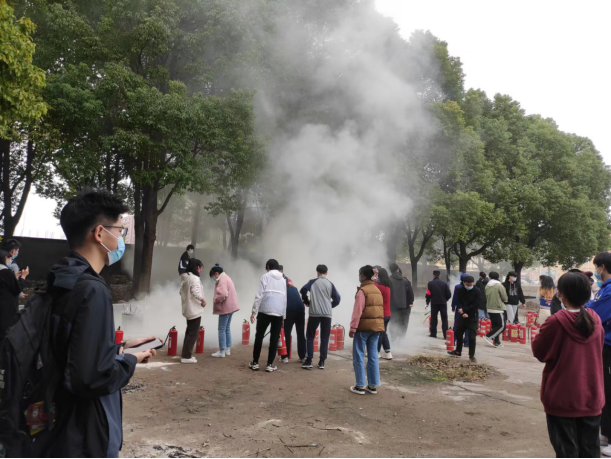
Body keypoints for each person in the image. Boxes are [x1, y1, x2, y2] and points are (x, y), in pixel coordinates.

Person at [47, 190, 155, 458]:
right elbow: (92, 378)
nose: (120, 239)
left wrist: (119, 347)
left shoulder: (61, 277)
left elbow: (69, 348)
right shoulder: (93, 290)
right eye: (119, 231)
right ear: (99, 233)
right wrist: (130, 359)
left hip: (58, 424)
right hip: (84, 432)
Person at [534, 272, 604, 458]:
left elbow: (540, 352)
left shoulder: (555, 321)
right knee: (590, 451)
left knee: (566, 451)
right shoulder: (596, 319)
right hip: (591, 395)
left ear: (561, 294)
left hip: (562, 397)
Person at [587, 253, 611, 456]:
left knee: (609, 391)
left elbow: (594, 313)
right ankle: (606, 432)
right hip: (606, 344)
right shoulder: (604, 288)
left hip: (610, 345)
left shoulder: (610, 290)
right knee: (605, 390)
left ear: (602, 267)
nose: (596, 271)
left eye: (596, 267)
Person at [349, 265, 385, 395]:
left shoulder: (362, 291)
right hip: (376, 328)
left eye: (360, 274)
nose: (359, 276)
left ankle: (360, 385)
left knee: (358, 355)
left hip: (363, 328)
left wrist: (353, 328)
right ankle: (372, 385)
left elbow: (357, 312)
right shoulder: (377, 290)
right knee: (373, 355)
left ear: (363, 276)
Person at [300, 265, 341, 370]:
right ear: (326, 273)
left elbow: (303, 290)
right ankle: (322, 361)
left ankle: (309, 360)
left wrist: (306, 301)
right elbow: (337, 299)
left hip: (314, 314)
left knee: (310, 336)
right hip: (327, 315)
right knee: (324, 338)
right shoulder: (330, 284)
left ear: (317, 272)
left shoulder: (312, 282)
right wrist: (329, 306)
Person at [249, 259, 287, 373]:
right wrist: (283, 315)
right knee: (274, 338)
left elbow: (259, 295)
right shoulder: (283, 279)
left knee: (259, 336)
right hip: (278, 312)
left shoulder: (265, 277)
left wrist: (254, 311)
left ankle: (255, 362)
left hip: (265, 310)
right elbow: (284, 298)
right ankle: (270, 364)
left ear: (268, 267)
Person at [180, 259, 206, 364]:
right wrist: (203, 300)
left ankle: (185, 354)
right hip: (194, 310)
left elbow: (180, 292)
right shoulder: (194, 278)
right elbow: (196, 292)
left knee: (189, 333)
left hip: (188, 309)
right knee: (193, 334)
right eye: (200, 267)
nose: (201, 270)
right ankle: (186, 357)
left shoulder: (186, 278)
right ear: (197, 267)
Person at [210, 264, 240, 359]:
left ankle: (222, 351)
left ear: (216, 273)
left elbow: (222, 294)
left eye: (213, 276)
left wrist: (215, 299)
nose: (214, 278)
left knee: (221, 329)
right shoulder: (226, 277)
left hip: (225, 307)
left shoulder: (222, 280)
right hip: (231, 307)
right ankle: (227, 349)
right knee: (227, 328)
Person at [448, 276, 480, 363]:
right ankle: (458, 351)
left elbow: (476, 304)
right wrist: (462, 313)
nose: (468, 285)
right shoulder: (460, 290)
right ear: (463, 283)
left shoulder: (477, 291)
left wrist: (465, 311)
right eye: (467, 284)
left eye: (470, 284)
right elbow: (459, 302)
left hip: (472, 316)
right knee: (458, 333)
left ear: (473, 283)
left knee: (472, 337)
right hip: (462, 315)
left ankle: (471, 355)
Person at [0, 250, 28, 342]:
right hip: (5, 308)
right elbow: (17, 289)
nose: (10, 261)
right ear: (5, 258)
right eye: (10, 259)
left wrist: (14, 277)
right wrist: (23, 277)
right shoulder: (5, 271)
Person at [388, 263, 414, 346]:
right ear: (398, 269)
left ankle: (394, 339)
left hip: (393, 306)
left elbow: (388, 294)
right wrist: (410, 302)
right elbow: (410, 293)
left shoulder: (388, 280)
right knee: (403, 323)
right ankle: (401, 339)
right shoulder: (405, 280)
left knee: (393, 322)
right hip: (404, 306)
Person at [284, 279, 307, 364]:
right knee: (301, 334)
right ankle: (303, 357)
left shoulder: (283, 289)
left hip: (289, 311)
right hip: (300, 310)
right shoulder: (295, 288)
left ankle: (285, 357)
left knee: (286, 333)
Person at [484, 272, 508, 348]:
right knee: (502, 326)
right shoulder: (499, 285)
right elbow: (504, 297)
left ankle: (497, 342)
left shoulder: (487, 285)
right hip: (498, 308)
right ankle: (489, 336)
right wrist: (505, 300)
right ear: (498, 278)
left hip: (489, 308)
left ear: (490, 278)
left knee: (495, 326)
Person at [426, 270, 452, 339]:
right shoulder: (444, 284)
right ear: (440, 276)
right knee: (444, 319)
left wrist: (427, 302)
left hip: (434, 303)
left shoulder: (430, 284)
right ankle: (445, 335)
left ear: (433, 275)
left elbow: (428, 294)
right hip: (443, 303)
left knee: (434, 318)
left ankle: (433, 334)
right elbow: (449, 294)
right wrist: (445, 299)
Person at [375, 267, 393, 359]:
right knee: (383, 333)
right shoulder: (387, 287)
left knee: (378, 334)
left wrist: (373, 277)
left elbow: (372, 284)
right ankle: (388, 352)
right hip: (387, 314)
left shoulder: (379, 287)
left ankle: (377, 352)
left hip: (381, 314)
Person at [451, 274, 471, 349]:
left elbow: (455, 298)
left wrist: (453, 306)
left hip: (459, 309)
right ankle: (466, 342)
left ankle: (453, 340)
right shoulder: (472, 287)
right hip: (468, 309)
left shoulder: (457, 287)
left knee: (457, 325)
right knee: (467, 325)